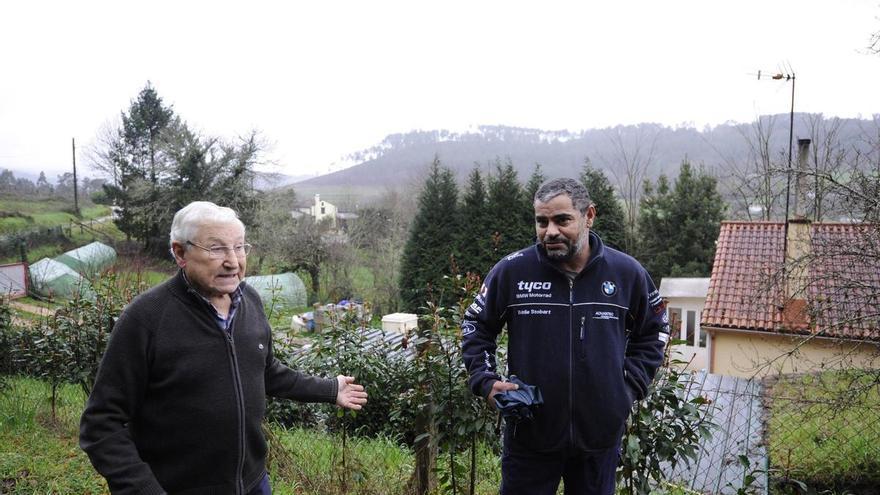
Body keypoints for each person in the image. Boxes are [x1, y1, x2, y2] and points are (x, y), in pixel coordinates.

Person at [80, 201, 367, 494]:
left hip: (253, 483)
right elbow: (102, 423)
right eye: (216, 249)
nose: (233, 261)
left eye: (240, 247)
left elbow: (265, 371)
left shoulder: (250, 300)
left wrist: (331, 389)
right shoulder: (146, 318)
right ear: (180, 252)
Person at [461, 178, 669, 495]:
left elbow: (654, 330)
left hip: (598, 439)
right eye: (541, 222)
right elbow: (476, 324)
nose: (550, 232)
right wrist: (486, 380)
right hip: (529, 435)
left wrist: (625, 389)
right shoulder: (512, 272)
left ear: (589, 216)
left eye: (562, 220)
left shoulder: (626, 273)